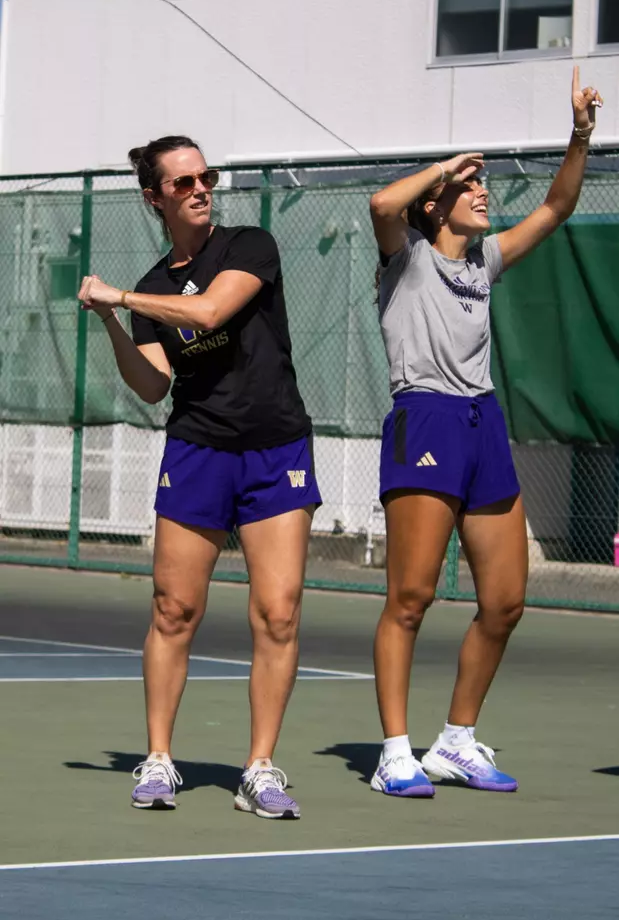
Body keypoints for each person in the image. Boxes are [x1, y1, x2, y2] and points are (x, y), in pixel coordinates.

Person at [368, 68, 602, 797]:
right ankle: (393, 753)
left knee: (504, 602)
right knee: (409, 598)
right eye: (470, 187)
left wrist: (579, 136)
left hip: (481, 421)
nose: (482, 192)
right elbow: (381, 202)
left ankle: (455, 742)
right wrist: (445, 164)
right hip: (425, 418)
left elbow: (556, 206)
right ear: (436, 204)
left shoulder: (484, 261)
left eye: (482, 184)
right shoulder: (403, 260)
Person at [78, 135, 321, 820]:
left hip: (276, 448)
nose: (199, 188)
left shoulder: (250, 246)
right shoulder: (152, 289)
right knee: (173, 611)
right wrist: (113, 320)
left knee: (278, 612)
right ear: (154, 197)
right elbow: (153, 386)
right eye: (181, 182)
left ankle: (260, 770)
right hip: (197, 451)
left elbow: (213, 311)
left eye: (204, 176)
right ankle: (159, 760)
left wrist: (118, 292)